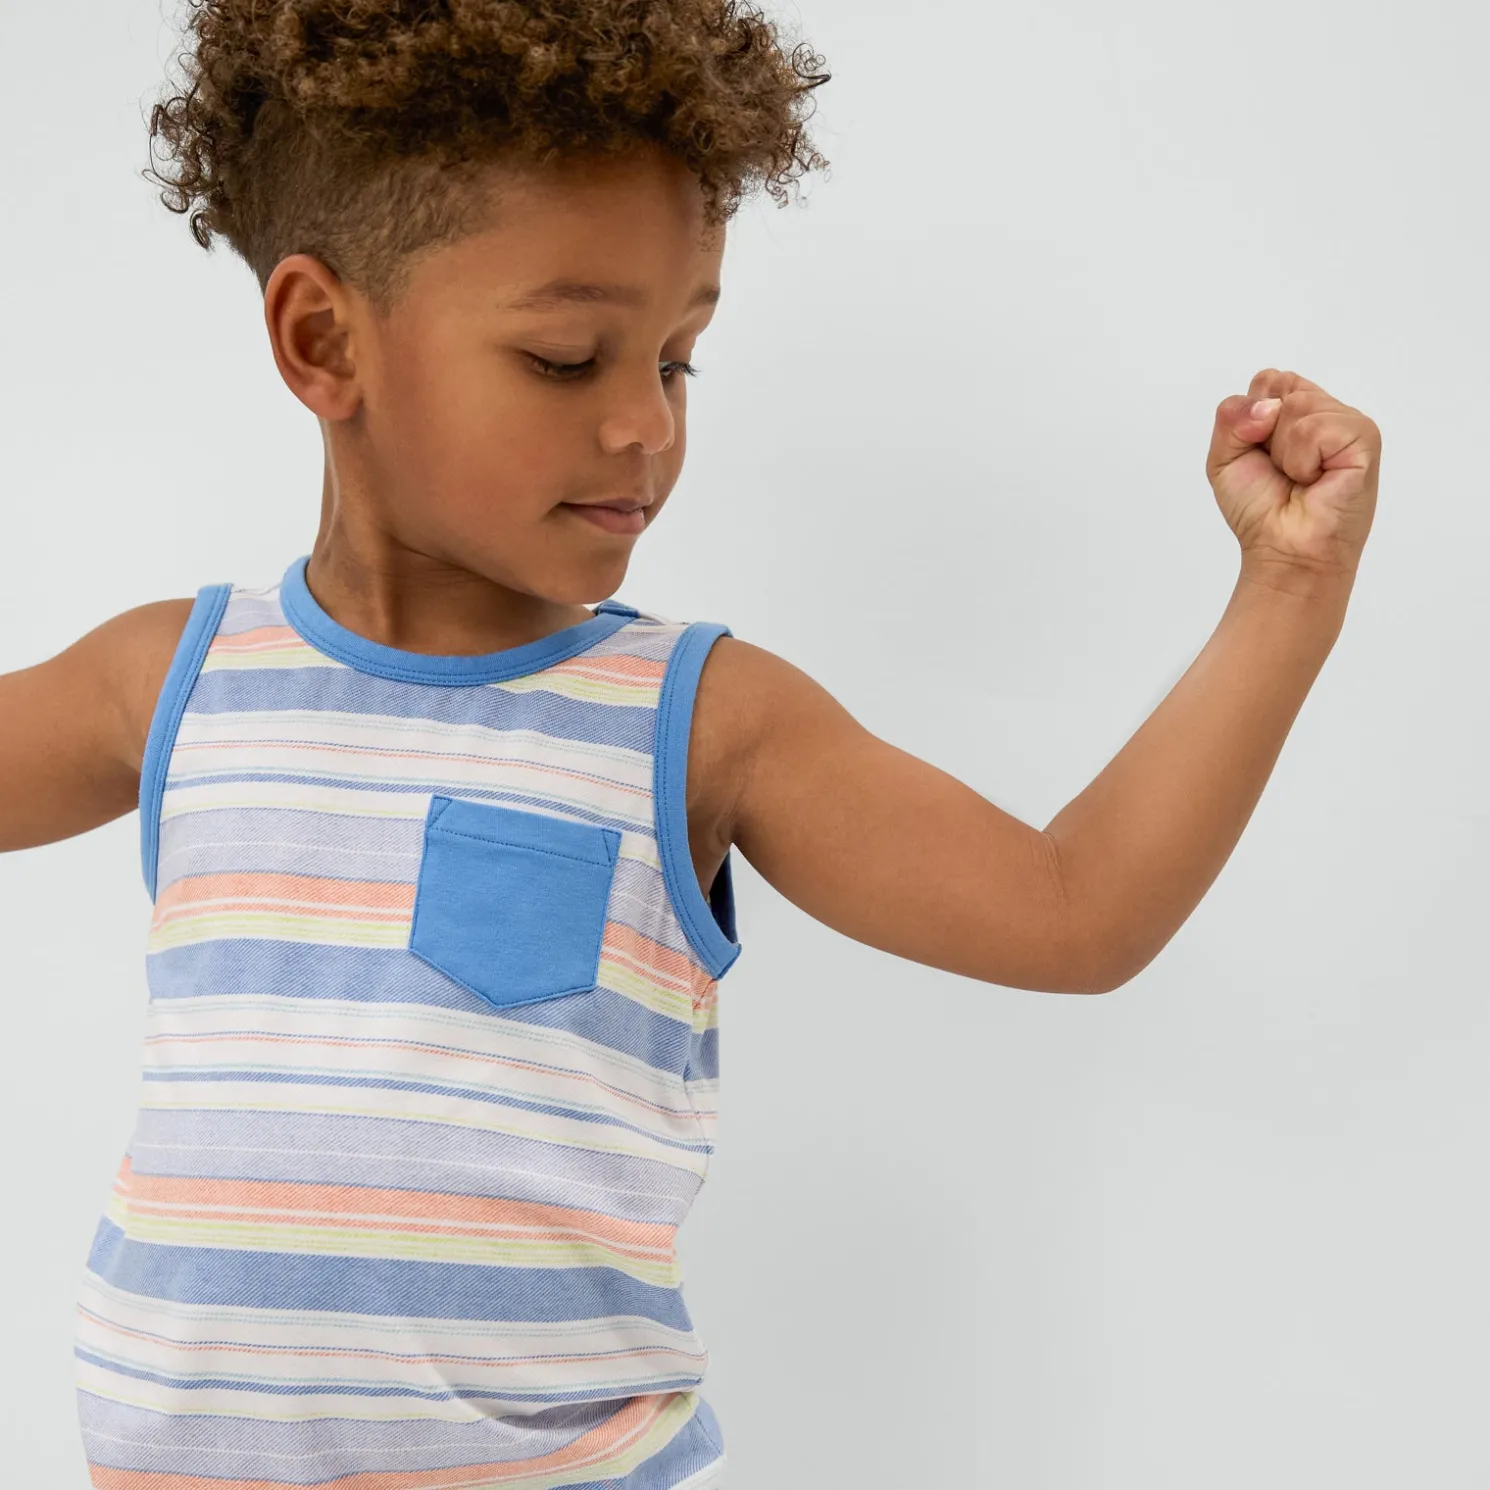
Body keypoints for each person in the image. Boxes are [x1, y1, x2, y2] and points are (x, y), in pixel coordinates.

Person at [0, 1, 1381, 1486]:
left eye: (676, 359)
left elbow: (1072, 908)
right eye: (566, 358)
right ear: (323, 338)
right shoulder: (175, 682)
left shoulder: (699, 719)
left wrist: (1288, 585)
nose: (644, 428)